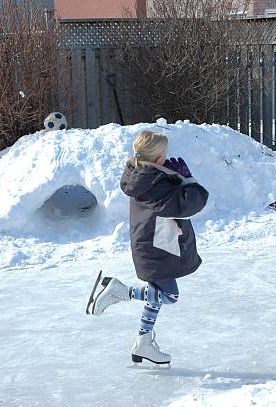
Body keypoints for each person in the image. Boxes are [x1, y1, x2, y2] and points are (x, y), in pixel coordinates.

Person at [87, 130, 209, 366]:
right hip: (157, 248)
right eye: (163, 155)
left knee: (157, 296)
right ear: (155, 159)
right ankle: (118, 291)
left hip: (155, 242)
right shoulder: (155, 185)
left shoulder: (143, 174)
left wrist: (173, 176)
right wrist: (188, 181)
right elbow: (192, 202)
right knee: (169, 295)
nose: (166, 158)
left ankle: (143, 343)